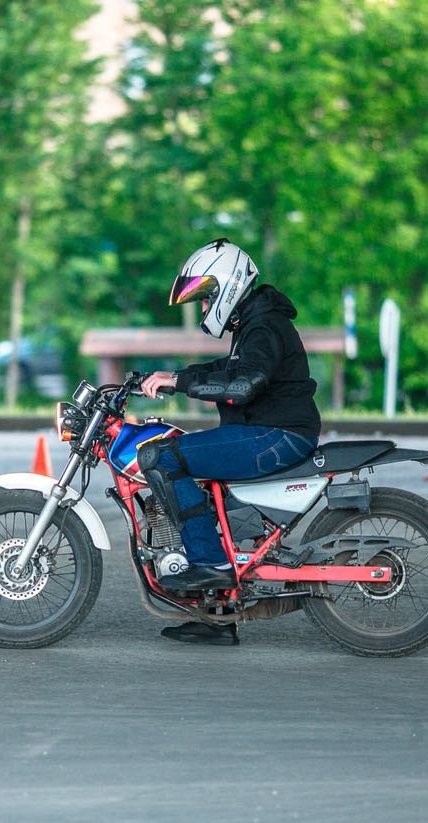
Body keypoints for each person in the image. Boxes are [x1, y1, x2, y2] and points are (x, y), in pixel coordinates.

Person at [137, 238, 321, 646]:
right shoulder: (253, 322)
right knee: (190, 469)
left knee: (161, 457)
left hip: (276, 436)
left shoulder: (265, 325)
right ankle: (215, 615)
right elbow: (226, 367)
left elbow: (243, 383)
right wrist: (170, 376)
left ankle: (209, 562)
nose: (204, 309)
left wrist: (180, 382)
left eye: (207, 298)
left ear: (228, 286)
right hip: (268, 432)